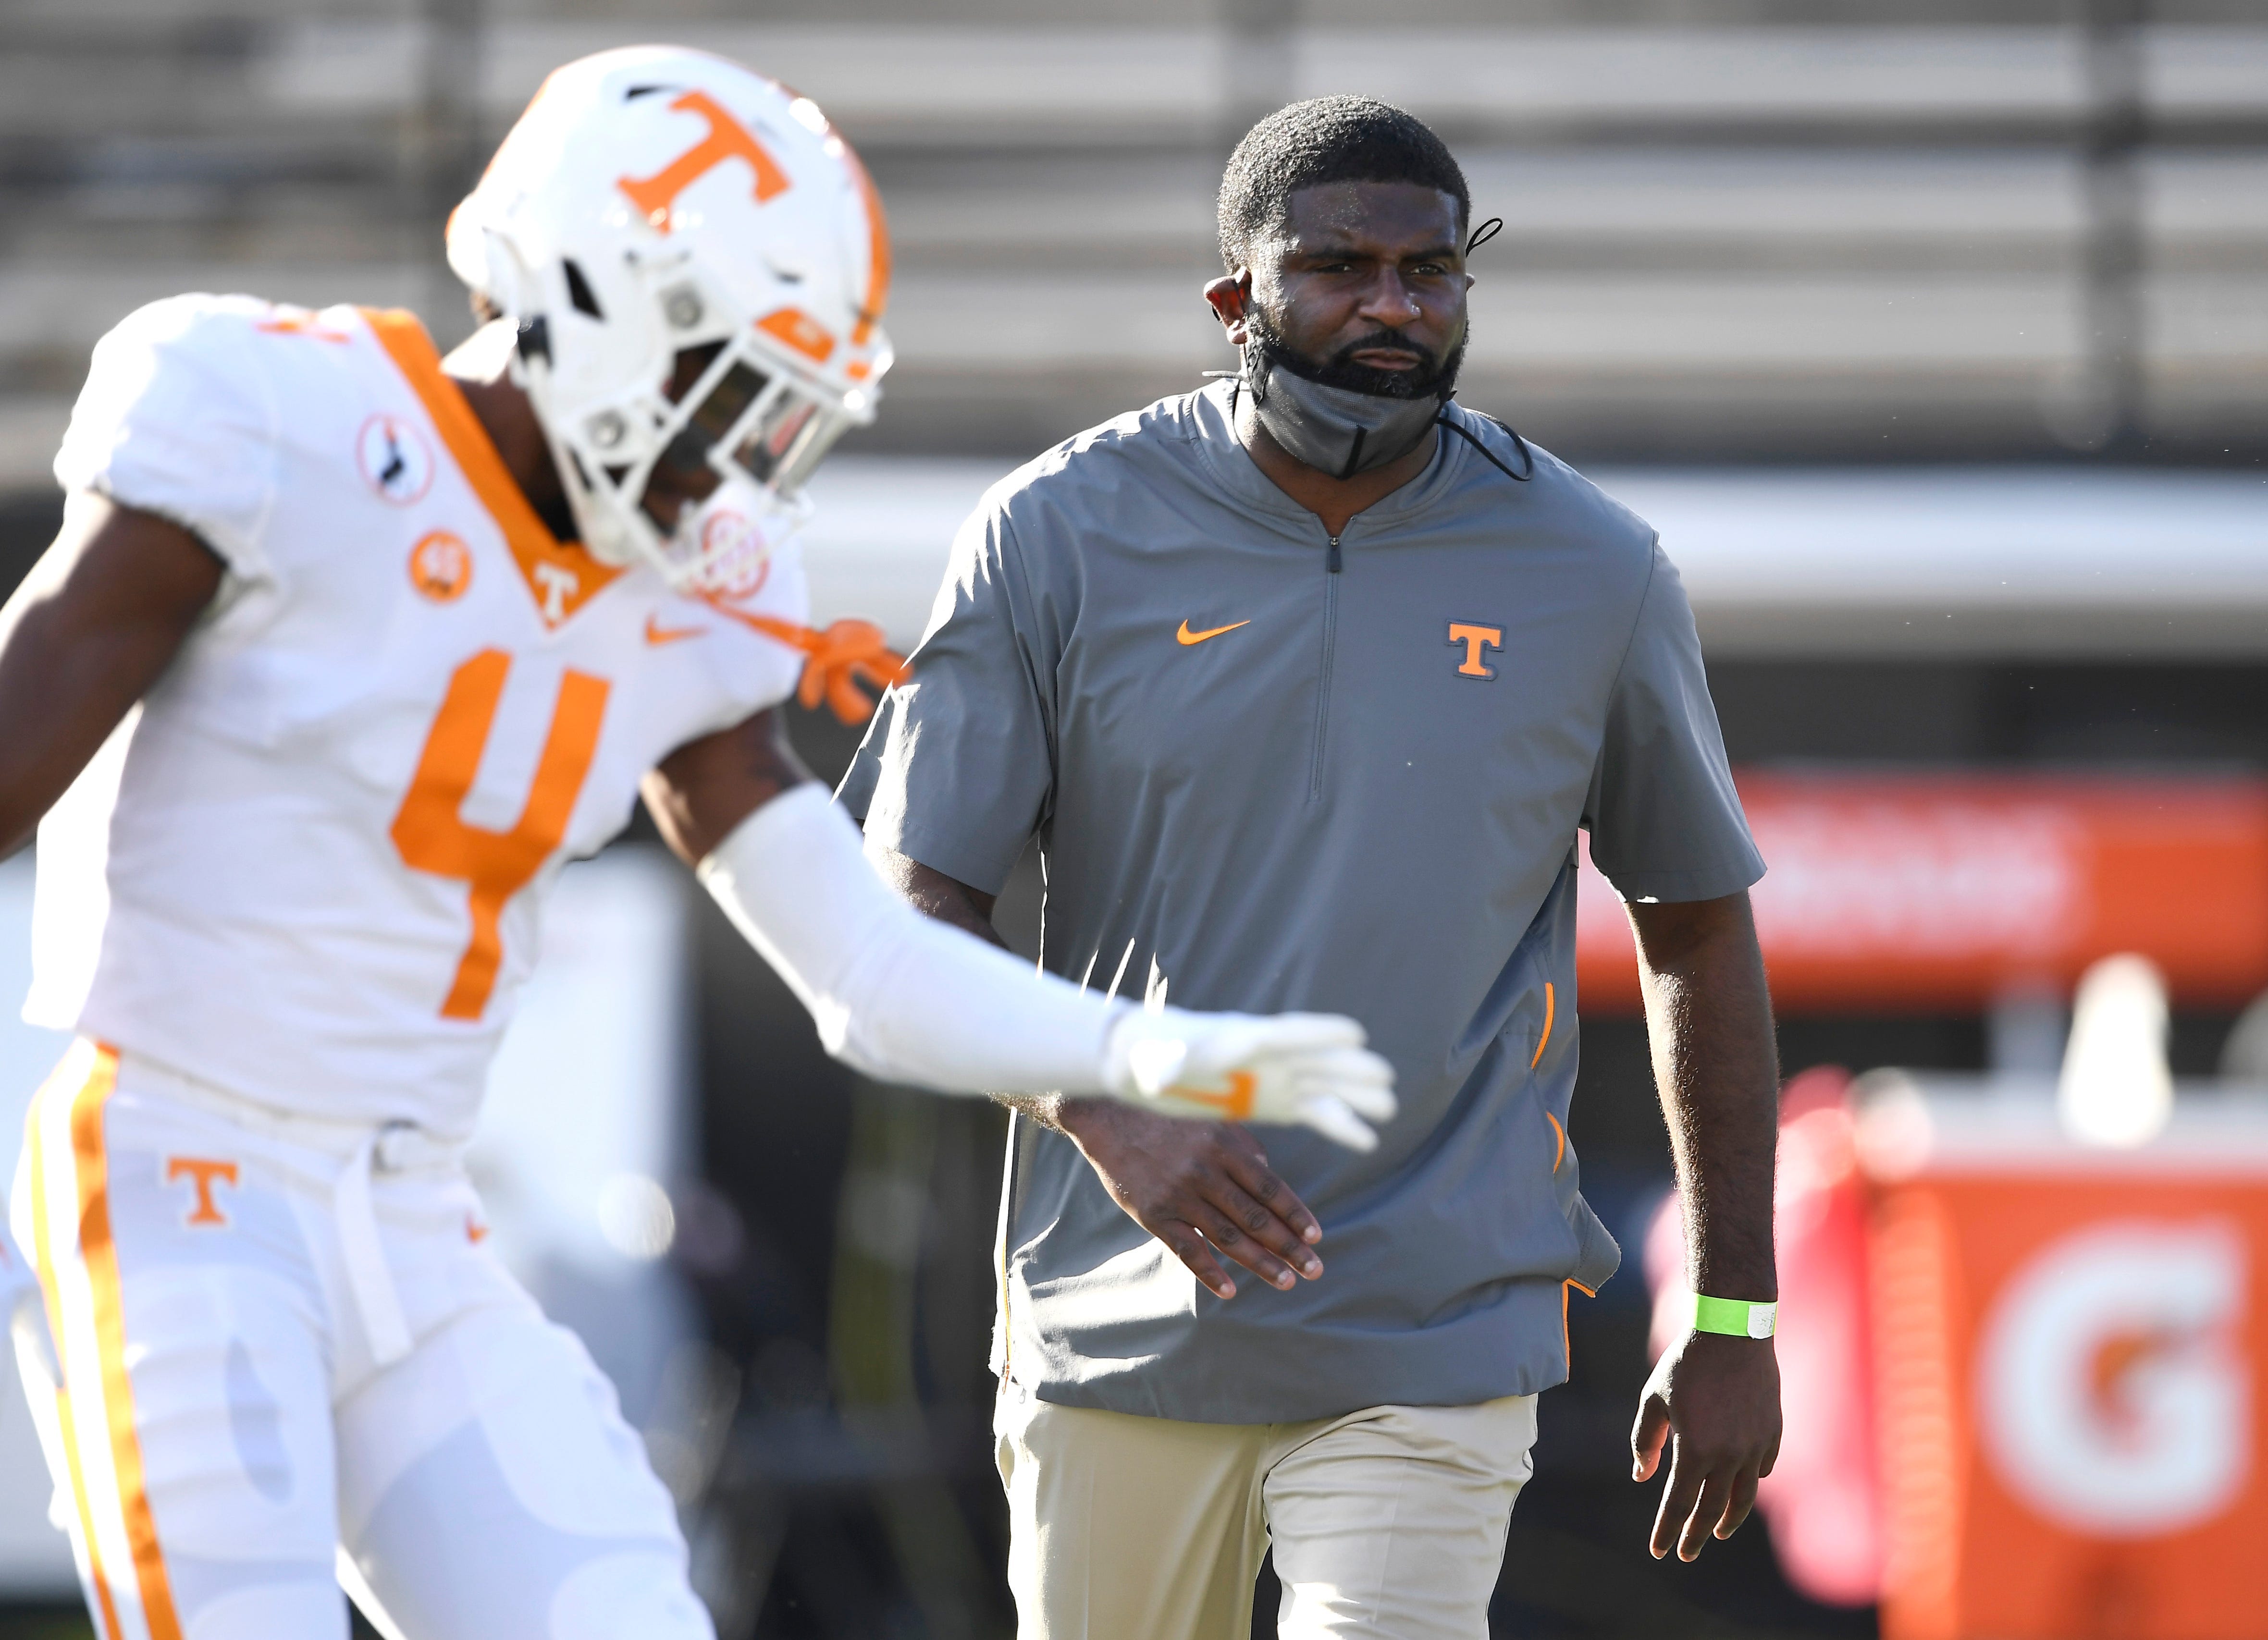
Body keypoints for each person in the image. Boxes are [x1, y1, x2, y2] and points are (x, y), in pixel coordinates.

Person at [0, 51, 1394, 1640]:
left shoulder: (690, 591)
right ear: (597, 296)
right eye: (734, 390)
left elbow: (863, 966)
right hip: (181, 1176)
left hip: (408, 1211)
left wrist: (1127, 1057)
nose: (741, 460)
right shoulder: (280, 418)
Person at [840, 96, 1784, 1640]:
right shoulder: (1056, 531)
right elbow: (911, 897)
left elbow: (1695, 931)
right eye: (1340, 268)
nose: (1394, 310)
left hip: (1440, 1330)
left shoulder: (1595, 567)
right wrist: (1102, 1106)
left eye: (1430, 272)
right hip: (1116, 1324)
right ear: (1238, 301)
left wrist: (1734, 1306)